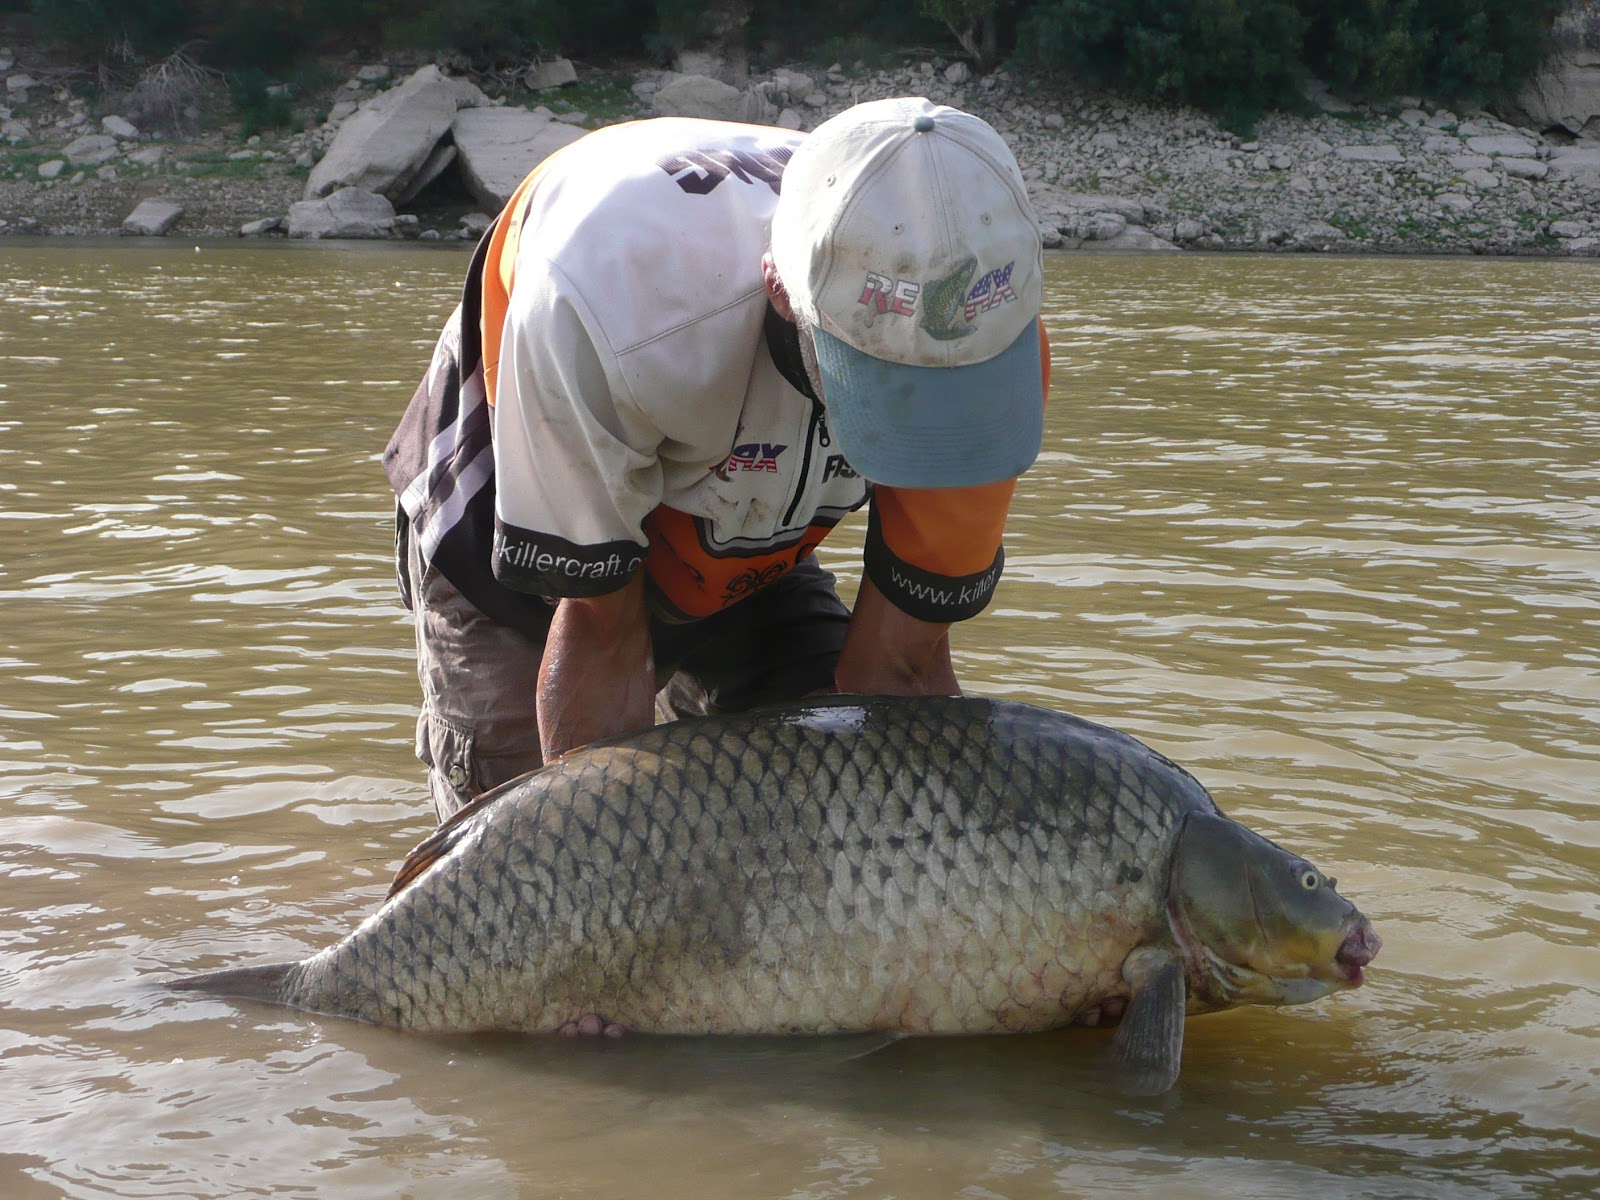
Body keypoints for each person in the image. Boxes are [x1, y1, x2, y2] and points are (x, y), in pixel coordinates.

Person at [383, 95, 1051, 822]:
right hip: (515, 527)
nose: (926, 415)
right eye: (889, 385)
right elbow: (602, 640)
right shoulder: (615, 304)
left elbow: (901, 673)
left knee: (843, 817)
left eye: (944, 390)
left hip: (746, 541)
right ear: (781, 288)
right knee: (531, 863)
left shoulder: (990, 349)